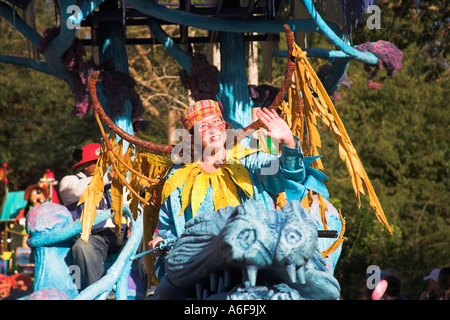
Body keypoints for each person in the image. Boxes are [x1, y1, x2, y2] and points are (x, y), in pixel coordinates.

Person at [148, 99, 327, 272]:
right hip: (203, 268)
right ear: (192, 137)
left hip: (258, 259)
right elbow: (170, 228)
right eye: (203, 126)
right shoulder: (178, 176)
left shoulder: (252, 160)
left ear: (225, 126)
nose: (213, 129)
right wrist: (163, 243)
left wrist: (288, 142)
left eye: (216, 121)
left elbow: (288, 174)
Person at [59, 142, 128, 289]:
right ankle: (100, 292)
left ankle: (153, 291)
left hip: (122, 234)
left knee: (148, 239)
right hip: (94, 237)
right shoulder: (69, 181)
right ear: (85, 165)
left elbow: (131, 203)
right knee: (82, 247)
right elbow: (77, 191)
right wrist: (108, 177)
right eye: (98, 163)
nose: (103, 165)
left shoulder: (112, 179)